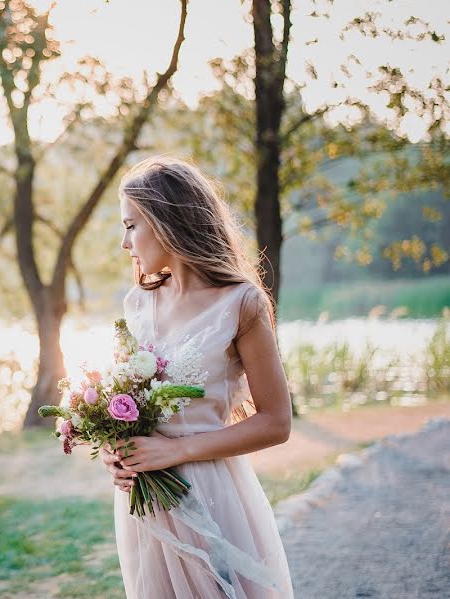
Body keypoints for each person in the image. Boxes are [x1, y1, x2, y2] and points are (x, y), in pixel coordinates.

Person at [102, 155, 294, 598]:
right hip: (146, 502)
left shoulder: (242, 303)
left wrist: (177, 451)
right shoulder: (138, 304)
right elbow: (128, 406)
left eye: (131, 226)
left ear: (166, 221)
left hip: (210, 491)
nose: (124, 242)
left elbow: (276, 422)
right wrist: (119, 454)